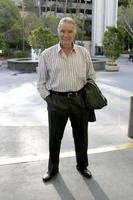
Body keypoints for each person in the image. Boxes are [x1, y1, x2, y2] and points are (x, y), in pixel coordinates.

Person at [37, 17, 96, 182]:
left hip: (79, 100)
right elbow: (41, 83)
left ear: (74, 33)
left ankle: (82, 165)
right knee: (55, 137)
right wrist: (50, 100)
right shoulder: (46, 55)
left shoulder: (83, 53)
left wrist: (87, 95)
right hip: (56, 101)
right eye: (63, 31)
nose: (66, 35)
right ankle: (52, 169)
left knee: (81, 136)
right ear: (58, 32)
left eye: (70, 31)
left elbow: (91, 76)